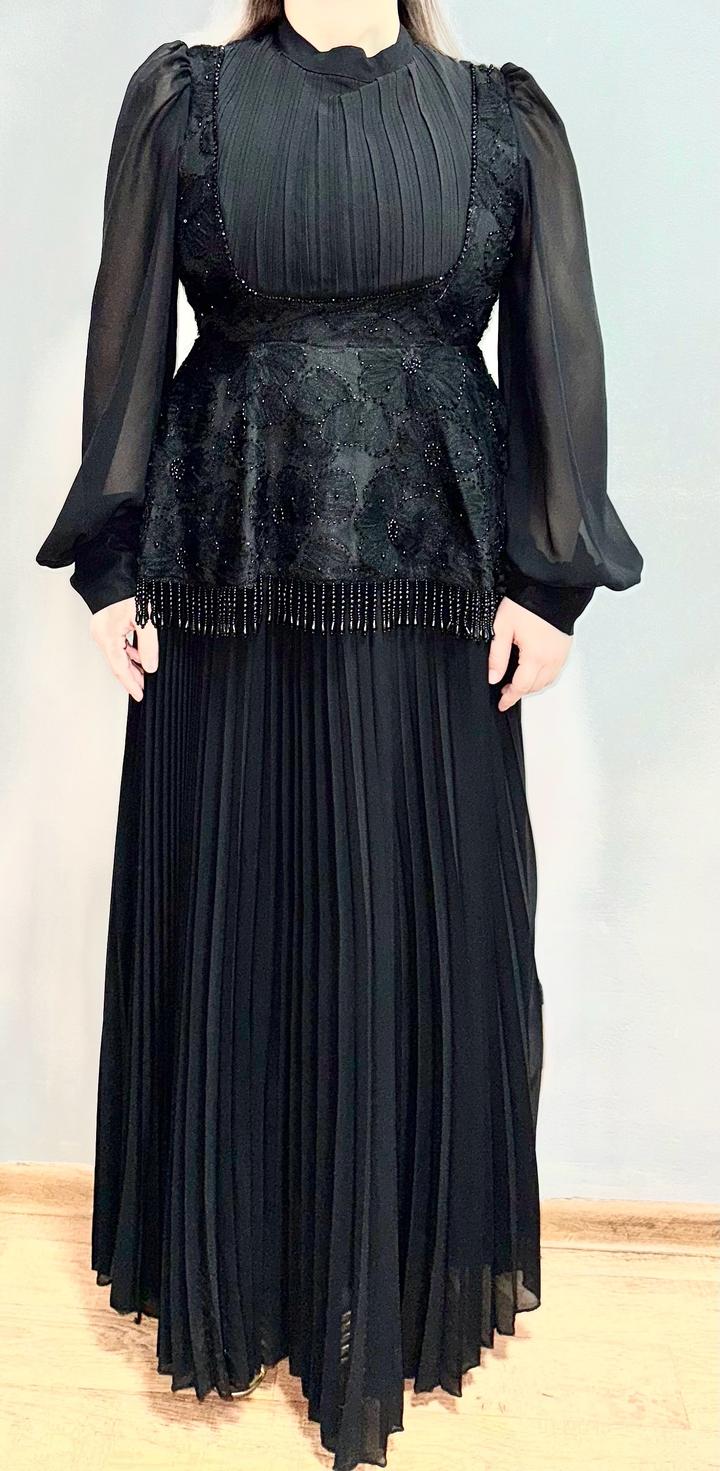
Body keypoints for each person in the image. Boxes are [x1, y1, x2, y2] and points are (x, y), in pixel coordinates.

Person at [35, 3, 643, 1468]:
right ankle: (239, 1285)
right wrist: (111, 561)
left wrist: (553, 582)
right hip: (227, 579)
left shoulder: (500, 118)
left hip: (435, 593)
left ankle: (395, 1286)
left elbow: (558, 341)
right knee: (245, 906)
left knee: (411, 911)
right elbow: (130, 329)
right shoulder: (184, 103)